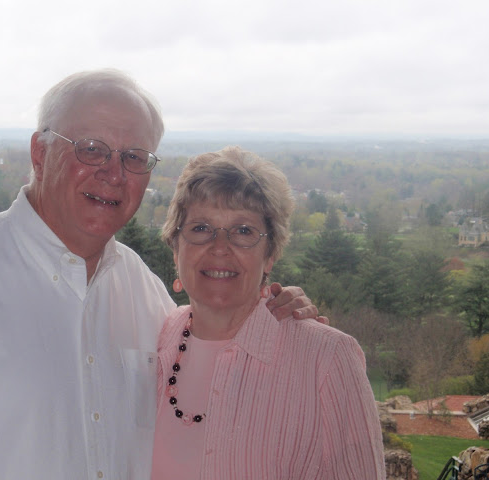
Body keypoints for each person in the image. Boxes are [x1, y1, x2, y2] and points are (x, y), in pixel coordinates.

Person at [0, 70, 320, 480]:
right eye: (92, 149)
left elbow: (215, 371)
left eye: (134, 157)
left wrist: (276, 315)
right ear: (39, 153)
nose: (113, 174)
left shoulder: (143, 292)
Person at [152, 146, 386, 479]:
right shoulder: (155, 339)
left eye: (243, 231)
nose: (220, 247)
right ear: (176, 248)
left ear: (269, 255)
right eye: (201, 228)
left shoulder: (327, 358)